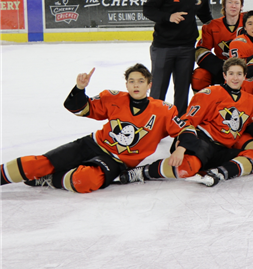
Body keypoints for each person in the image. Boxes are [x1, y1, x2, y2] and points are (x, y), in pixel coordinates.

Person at [120, 57, 253, 187]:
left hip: (223, 148)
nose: (235, 77)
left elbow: (248, 132)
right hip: (202, 142)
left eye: (239, 74)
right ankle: (141, 172)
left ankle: (217, 173)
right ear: (224, 75)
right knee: (187, 168)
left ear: (245, 76)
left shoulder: (252, 101)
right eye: (231, 73)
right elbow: (187, 121)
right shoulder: (209, 93)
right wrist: (181, 147)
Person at [0, 65, 181, 193]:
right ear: (126, 84)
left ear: (149, 85)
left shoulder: (164, 110)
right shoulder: (113, 98)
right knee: (42, 163)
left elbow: (185, 131)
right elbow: (79, 109)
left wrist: (180, 148)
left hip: (117, 160)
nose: (136, 85)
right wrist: (80, 88)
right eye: (131, 81)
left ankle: (49, 179)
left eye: (141, 81)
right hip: (92, 144)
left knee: (84, 181)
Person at [144, 0, 213, 114]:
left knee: (182, 90)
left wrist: (229, 25)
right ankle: (154, 122)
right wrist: (168, 16)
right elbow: (148, 9)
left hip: (187, 49)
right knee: (158, 89)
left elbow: (207, 19)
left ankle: (179, 121)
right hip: (163, 47)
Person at [191, 0, 245, 91]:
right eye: (230, 2)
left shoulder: (249, 21)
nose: (233, 6)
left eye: (237, 3)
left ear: (241, 6)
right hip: (221, 67)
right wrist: (222, 67)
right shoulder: (212, 26)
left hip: (246, 65)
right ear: (224, 5)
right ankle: (202, 105)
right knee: (199, 76)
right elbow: (200, 51)